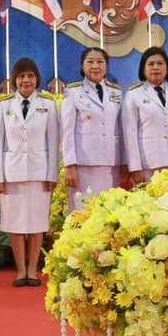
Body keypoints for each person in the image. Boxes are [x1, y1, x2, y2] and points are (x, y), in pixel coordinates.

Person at [0, 58, 60, 287]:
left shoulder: (48, 105)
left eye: (30, 76)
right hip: (12, 173)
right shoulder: (4, 105)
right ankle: (20, 270)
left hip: (39, 173)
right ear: (15, 79)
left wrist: (52, 175)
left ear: (37, 79)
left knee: (37, 224)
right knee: (15, 224)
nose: (26, 80)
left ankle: (33, 270)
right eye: (21, 76)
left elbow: (53, 142)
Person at [58, 46, 124, 212]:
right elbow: (67, 131)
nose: (95, 66)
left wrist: (124, 163)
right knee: (83, 214)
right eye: (90, 62)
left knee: (110, 214)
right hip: (83, 166)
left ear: (106, 66)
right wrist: (70, 165)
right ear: (82, 66)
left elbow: (121, 129)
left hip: (112, 164)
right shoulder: (73, 92)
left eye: (100, 62)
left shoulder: (116, 92)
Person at [120, 47, 168, 182]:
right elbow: (129, 134)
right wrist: (135, 167)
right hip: (147, 165)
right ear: (143, 68)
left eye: (160, 63)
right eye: (151, 64)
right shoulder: (133, 94)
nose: (156, 67)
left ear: (167, 67)